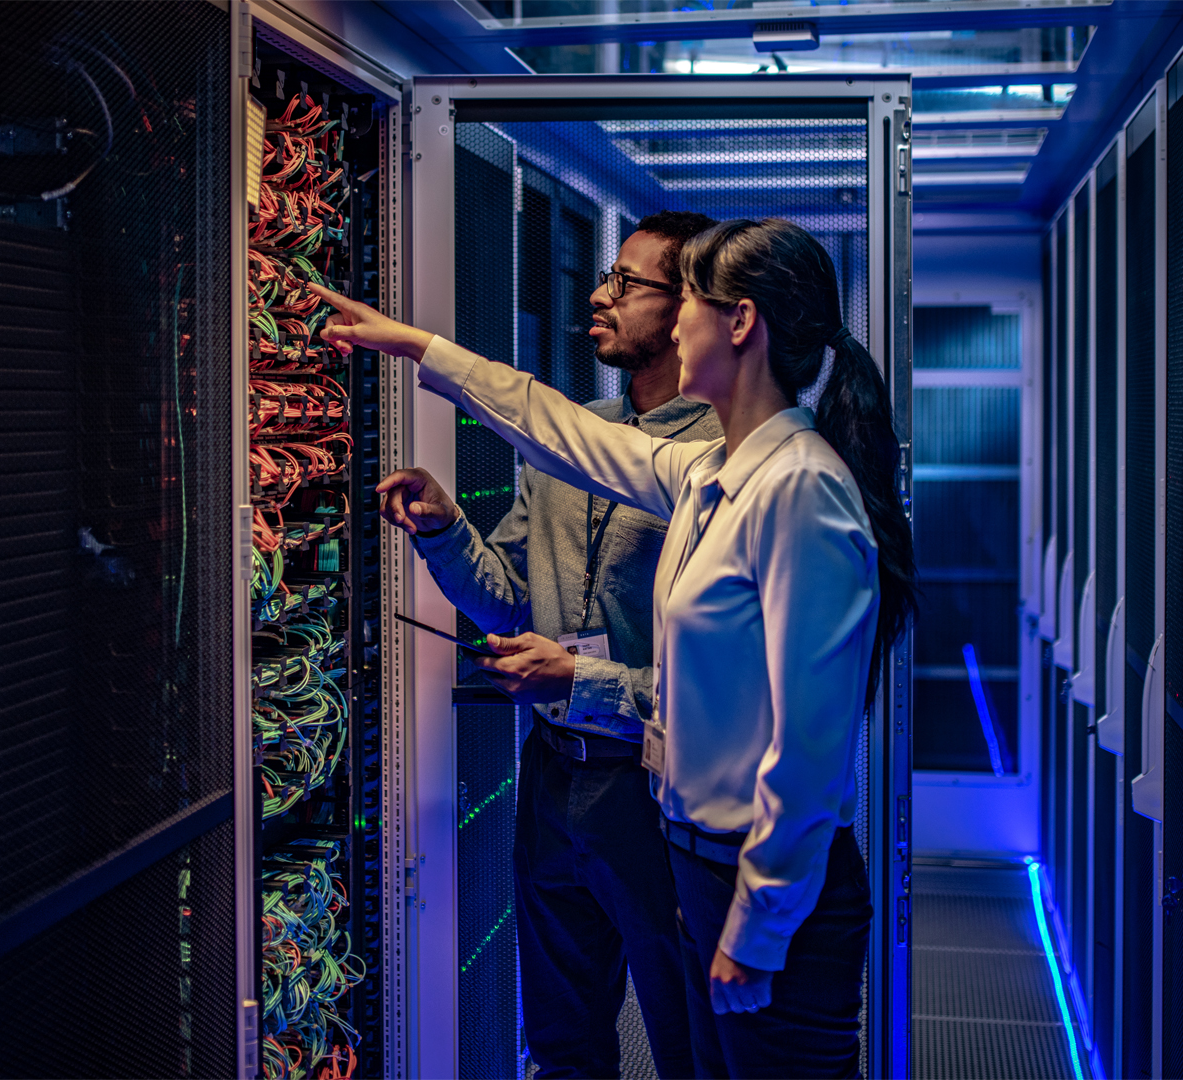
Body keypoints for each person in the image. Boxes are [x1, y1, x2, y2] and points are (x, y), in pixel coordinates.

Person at [310, 217, 917, 1079]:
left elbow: (812, 748)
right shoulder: (713, 476)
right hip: (701, 863)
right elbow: (555, 427)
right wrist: (415, 348)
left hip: (763, 888)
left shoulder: (802, 492)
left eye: (689, 304)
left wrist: (758, 927)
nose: (673, 327)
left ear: (740, 323)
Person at [372, 211, 719, 1079]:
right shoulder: (564, 447)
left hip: (656, 788)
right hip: (553, 780)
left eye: (626, 283)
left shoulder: (722, 462)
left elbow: (729, 688)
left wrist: (584, 676)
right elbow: (508, 603)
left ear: (687, 309)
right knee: (562, 1046)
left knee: (688, 1042)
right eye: (605, 277)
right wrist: (446, 529)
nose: (598, 297)